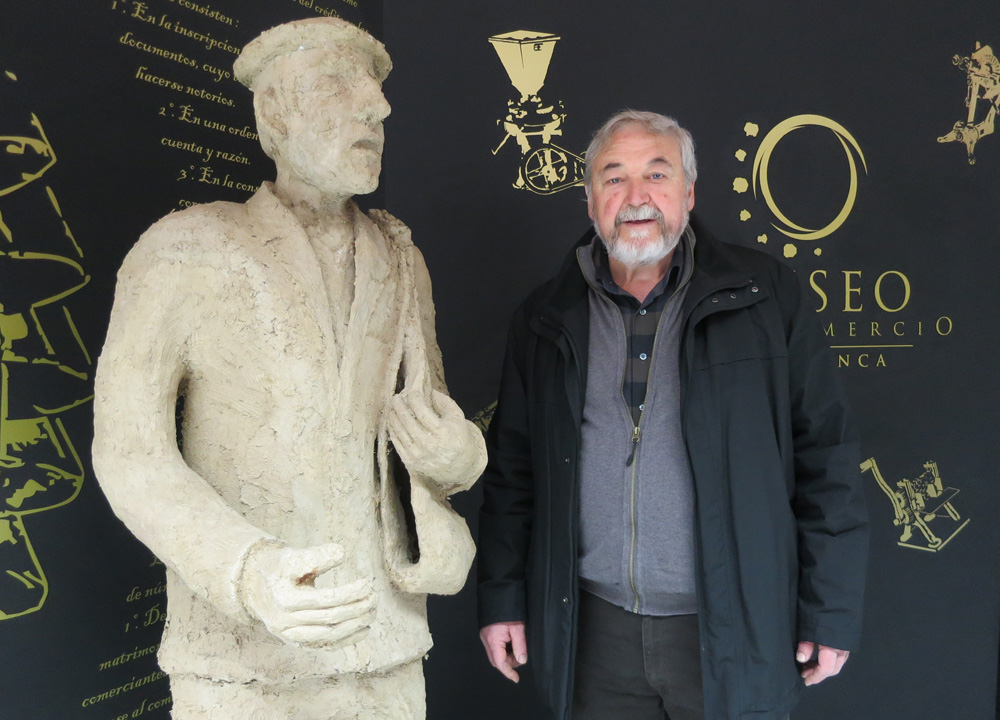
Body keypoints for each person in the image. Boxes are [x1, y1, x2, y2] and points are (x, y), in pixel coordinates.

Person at [92, 18, 485, 720]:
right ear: (273, 116)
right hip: (244, 667)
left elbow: (425, 427)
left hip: (385, 649)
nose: (377, 105)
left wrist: (460, 454)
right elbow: (130, 453)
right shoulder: (183, 250)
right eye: (339, 83)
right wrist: (245, 571)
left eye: (377, 88)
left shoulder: (400, 260)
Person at [477, 110, 868, 720]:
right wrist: (502, 597)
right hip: (591, 633)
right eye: (614, 179)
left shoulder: (767, 295)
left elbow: (827, 458)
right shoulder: (544, 317)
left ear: (689, 193)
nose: (636, 198)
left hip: (732, 627)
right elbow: (513, 476)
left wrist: (831, 608)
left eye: (657, 176)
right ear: (589, 201)